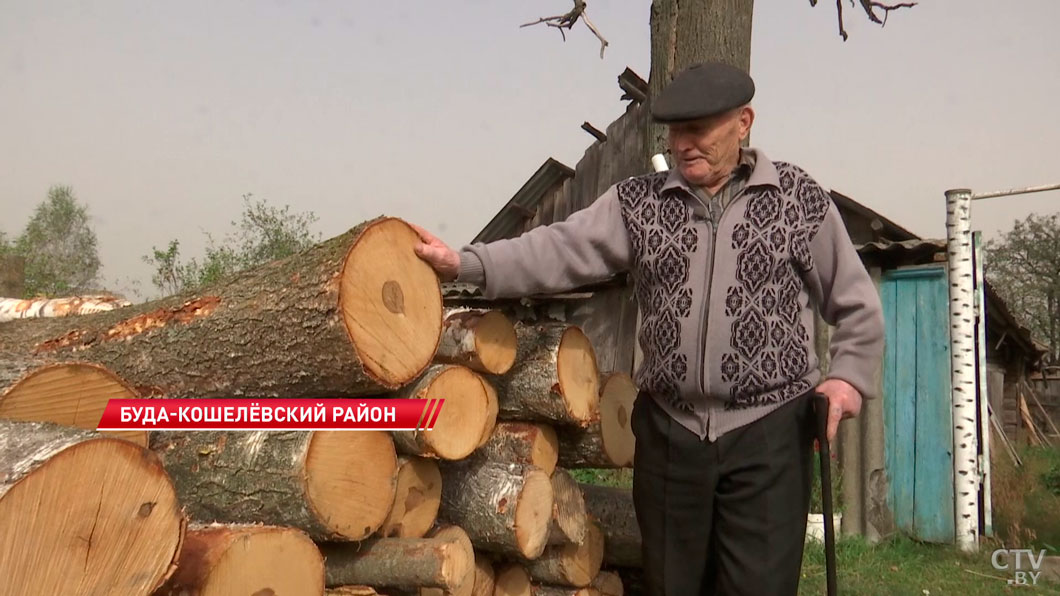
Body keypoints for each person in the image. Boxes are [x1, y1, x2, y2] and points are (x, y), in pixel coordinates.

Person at [412, 61, 884, 596]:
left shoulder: (796, 198)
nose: (683, 144)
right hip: (670, 432)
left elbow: (855, 304)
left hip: (769, 433)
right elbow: (559, 249)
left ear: (743, 122)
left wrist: (846, 379)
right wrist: (467, 263)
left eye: (698, 129)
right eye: (675, 131)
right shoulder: (640, 203)